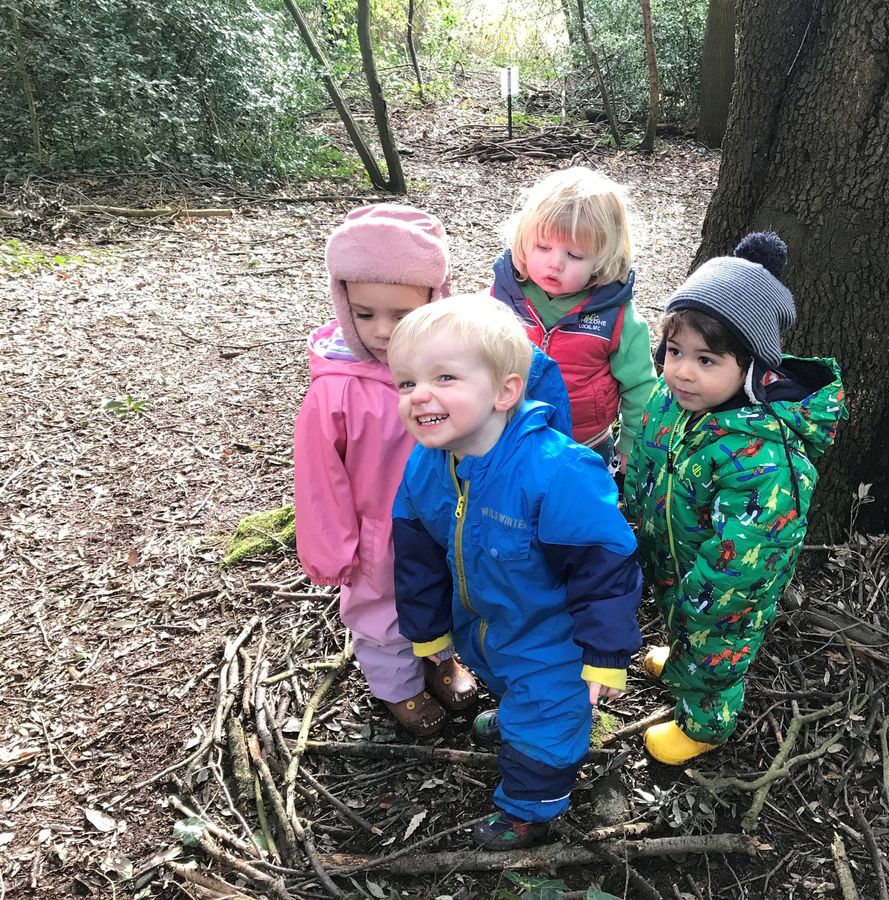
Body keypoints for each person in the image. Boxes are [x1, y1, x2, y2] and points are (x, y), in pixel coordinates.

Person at [294, 205, 570, 736]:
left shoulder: (454, 363)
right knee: (381, 609)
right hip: (377, 532)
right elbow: (318, 478)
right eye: (364, 313)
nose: (380, 331)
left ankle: (440, 659)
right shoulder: (337, 384)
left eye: (400, 315)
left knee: (442, 589)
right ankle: (397, 685)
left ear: (433, 301)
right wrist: (332, 550)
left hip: (445, 515)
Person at [388, 295, 643, 850]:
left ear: (505, 391)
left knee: (547, 720)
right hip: (486, 628)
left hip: (553, 640)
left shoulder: (557, 472)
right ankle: (519, 719)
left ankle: (531, 808)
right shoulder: (426, 464)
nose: (419, 395)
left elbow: (605, 564)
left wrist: (604, 654)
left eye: (444, 377)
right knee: (513, 690)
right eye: (406, 383)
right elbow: (416, 554)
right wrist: (429, 631)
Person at [623, 232, 847, 766]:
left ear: (749, 368)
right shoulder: (669, 401)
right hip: (676, 567)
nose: (681, 370)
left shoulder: (762, 454)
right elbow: (647, 465)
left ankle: (706, 723)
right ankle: (681, 659)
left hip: (723, 595)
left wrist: (711, 603)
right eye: (675, 352)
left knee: (716, 658)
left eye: (706, 360)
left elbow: (755, 550)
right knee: (682, 630)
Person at [491, 166, 655, 472]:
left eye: (575, 256)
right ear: (524, 239)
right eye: (543, 247)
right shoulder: (503, 297)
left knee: (576, 515)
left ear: (602, 259)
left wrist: (631, 444)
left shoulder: (616, 316)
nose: (555, 263)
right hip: (508, 434)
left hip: (585, 444)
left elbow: (640, 385)